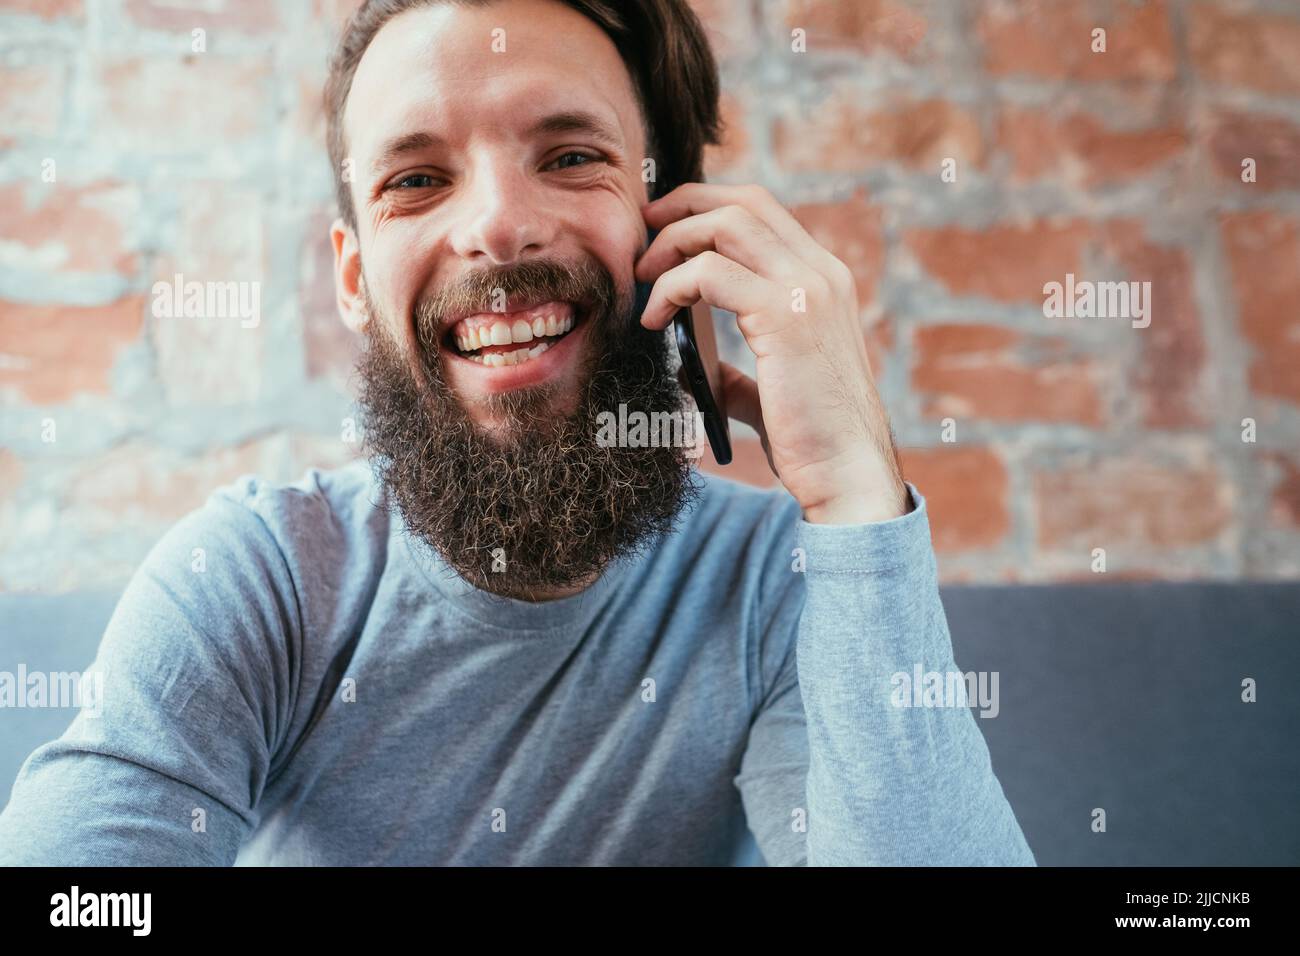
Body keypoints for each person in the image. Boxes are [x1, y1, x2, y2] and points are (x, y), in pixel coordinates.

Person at [0, 0, 1035, 866]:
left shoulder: (772, 588)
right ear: (355, 279)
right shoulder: (253, 584)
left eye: (571, 155)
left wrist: (856, 495)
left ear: (667, 225)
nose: (498, 223)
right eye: (416, 179)